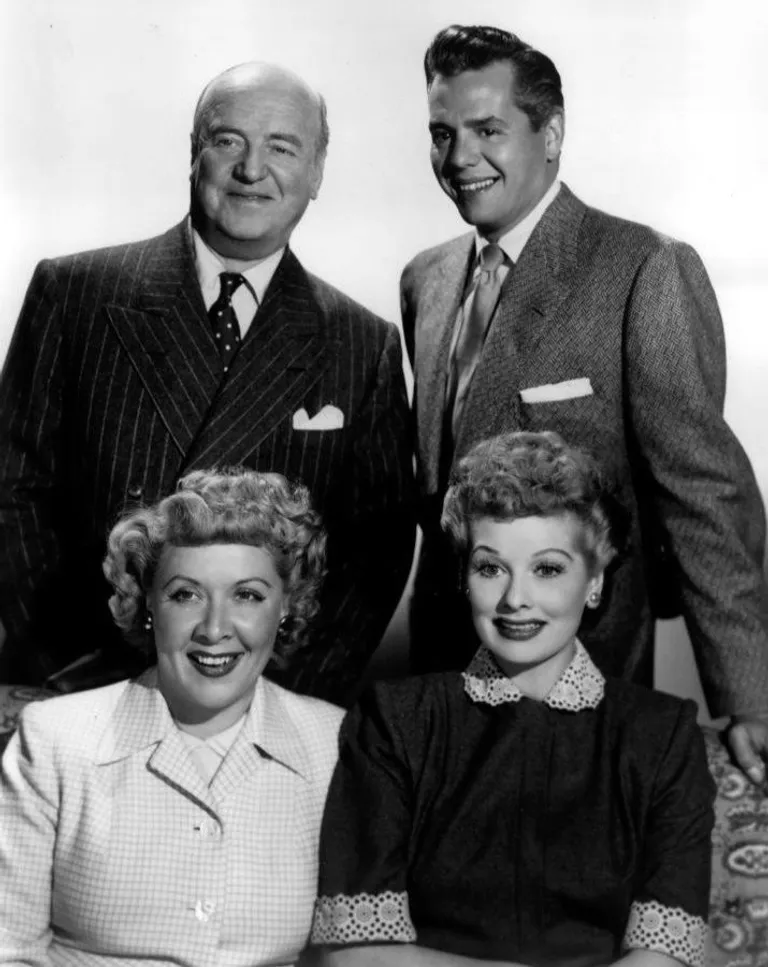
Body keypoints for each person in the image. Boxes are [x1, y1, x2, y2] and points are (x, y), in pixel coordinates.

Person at [401, 23, 768, 779]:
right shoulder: (426, 281)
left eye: (488, 130)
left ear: (553, 132)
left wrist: (750, 692)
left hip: (591, 686)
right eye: (442, 133)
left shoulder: (644, 268)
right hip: (439, 682)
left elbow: (705, 496)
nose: (459, 158)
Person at [0, 61, 414, 706]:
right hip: (74, 686)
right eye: (228, 141)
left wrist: (279, 698)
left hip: (257, 703)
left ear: (317, 173)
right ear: (194, 155)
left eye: (282, 146)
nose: (252, 169)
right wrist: (60, 672)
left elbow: (374, 553)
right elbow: (12, 492)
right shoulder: (75, 294)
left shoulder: (364, 343)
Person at [310, 431, 715, 967]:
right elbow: (354, 956)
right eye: (490, 568)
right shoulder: (395, 722)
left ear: (594, 580)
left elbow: (664, 961)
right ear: (464, 576)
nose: (514, 599)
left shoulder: (661, 736)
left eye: (547, 569)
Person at [0, 467, 344, 965]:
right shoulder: (55, 739)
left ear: (287, 605)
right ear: (148, 606)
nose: (214, 628)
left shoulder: (335, 744)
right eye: (186, 595)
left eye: (247, 595)